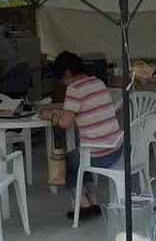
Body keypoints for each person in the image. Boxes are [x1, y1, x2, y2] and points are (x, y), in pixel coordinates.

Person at [37, 50, 123, 221]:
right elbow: (76, 104)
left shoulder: (74, 89)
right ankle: (93, 202)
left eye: (62, 78)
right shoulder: (96, 82)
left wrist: (49, 115)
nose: (62, 83)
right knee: (80, 157)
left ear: (68, 73)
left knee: (70, 162)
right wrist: (55, 106)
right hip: (116, 147)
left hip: (98, 153)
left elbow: (65, 123)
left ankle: (83, 207)